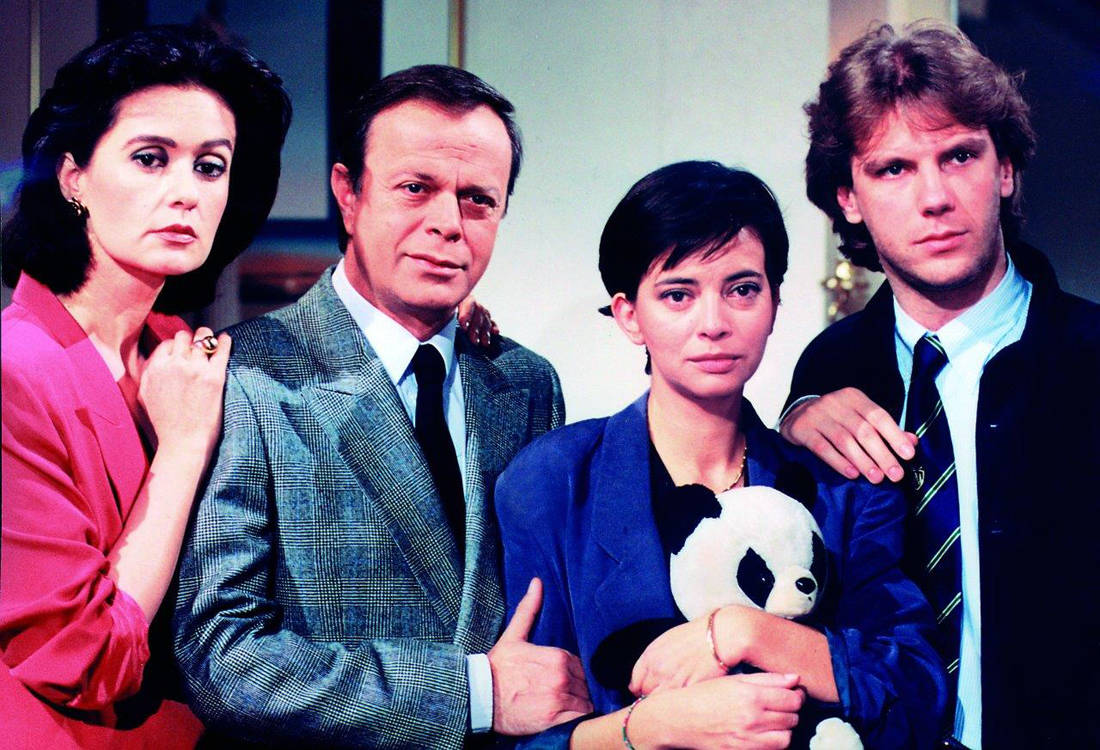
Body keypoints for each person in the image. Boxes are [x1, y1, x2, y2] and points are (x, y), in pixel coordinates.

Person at [172, 64, 592, 747]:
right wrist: (471, 692)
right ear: (349, 194)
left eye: (478, 200)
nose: (448, 225)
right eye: (416, 189)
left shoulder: (525, 384)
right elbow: (221, 657)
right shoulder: (244, 375)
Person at [495, 161, 945, 749]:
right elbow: (524, 730)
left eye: (742, 290)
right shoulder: (552, 481)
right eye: (678, 295)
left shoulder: (844, 487)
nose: (713, 324)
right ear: (629, 315)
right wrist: (647, 728)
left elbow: (917, 692)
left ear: (775, 302)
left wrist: (746, 632)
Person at [781, 21, 1100, 748]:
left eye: (958, 156)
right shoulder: (828, 369)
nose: (934, 197)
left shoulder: (1090, 358)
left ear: (1005, 169)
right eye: (894, 168)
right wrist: (792, 419)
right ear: (849, 197)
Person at [0, 25, 291, 748]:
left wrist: (441, 323)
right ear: (72, 177)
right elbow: (90, 659)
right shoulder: (14, 371)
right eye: (151, 158)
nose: (185, 193)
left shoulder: (178, 348)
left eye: (210, 167)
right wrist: (184, 448)